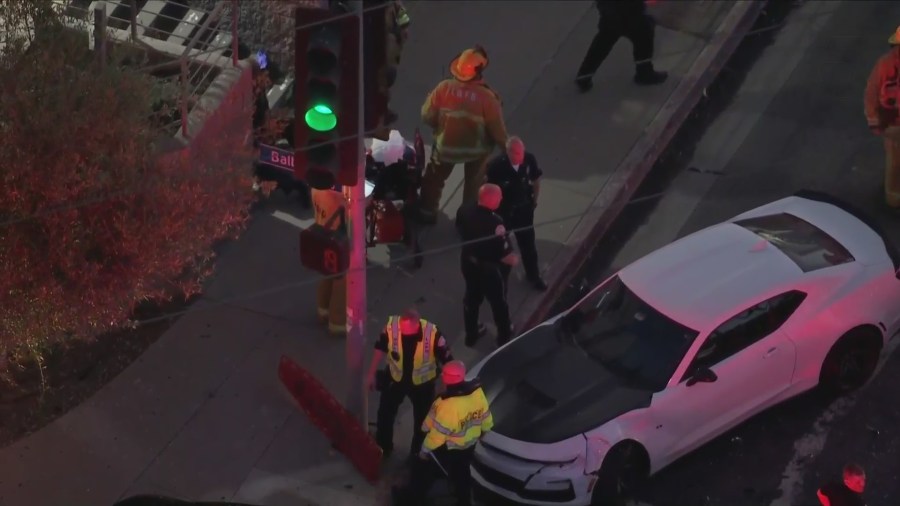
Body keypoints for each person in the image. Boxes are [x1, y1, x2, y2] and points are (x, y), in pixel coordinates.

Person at [418, 46, 510, 224]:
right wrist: (507, 150)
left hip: (446, 148)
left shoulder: (443, 89)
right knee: (474, 185)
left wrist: (440, 128)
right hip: (476, 151)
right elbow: (497, 131)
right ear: (480, 71)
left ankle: (427, 212)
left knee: (434, 179)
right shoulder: (488, 98)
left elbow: (426, 116)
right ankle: (467, 220)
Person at [395, 360, 493, 506]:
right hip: (469, 445)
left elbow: (437, 435)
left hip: (449, 448)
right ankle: (464, 501)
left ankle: (409, 499)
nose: (441, 375)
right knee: (462, 475)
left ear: (448, 378)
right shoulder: (476, 392)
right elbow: (485, 416)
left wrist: (424, 452)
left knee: (423, 473)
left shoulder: (447, 404)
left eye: (444, 374)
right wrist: (485, 430)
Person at [366, 308, 453, 460]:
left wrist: (444, 388)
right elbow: (380, 347)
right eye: (402, 328)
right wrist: (371, 373)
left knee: (422, 422)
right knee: (385, 414)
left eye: (406, 330)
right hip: (396, 379)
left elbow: (448, 362)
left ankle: (416, 455)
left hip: (422, 385)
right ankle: (383, 446)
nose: (403, 332)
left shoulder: (432, 334)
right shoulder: (392, 327)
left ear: (416, 325)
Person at [456, 184, 519, 348]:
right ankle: (504, 336)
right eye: (499, 197)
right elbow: (506, 256)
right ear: (492, 201)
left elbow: (460, 228)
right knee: (498, 303)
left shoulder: (465, 210)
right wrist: (513, 259)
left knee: (471, 299)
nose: (501, 199)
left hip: (468, 262)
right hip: (488, 270)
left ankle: (471, 334)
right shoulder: (495, 223)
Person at [485, 136, 548, 291]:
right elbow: (489, 190)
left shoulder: (529, 159)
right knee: (501, 248)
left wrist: (534, 201)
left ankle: (533, 276)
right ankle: (497, 280)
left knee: (528, 246)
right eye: (517, 154)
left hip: (524, 211)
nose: (521, 157)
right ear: (508, 152)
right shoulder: (496, 166)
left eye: (522, 152)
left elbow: (536, 179)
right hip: (504, 213)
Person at [575, 0, 668, 92]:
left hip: (610, 10)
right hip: (629, 10)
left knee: (604, 39)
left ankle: (584, 75)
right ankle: (644, 72)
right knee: (644, 34)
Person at [865, 25, 900, 208]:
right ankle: (893, 199)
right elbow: (872, 94)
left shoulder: (885, 64)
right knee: (895, 163)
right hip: (894, 127)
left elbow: (871, 94)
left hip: (892, 126)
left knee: (894, 163)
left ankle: (893, 197)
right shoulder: (885, 66)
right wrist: (876, 123)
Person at [312, 186, 347, 335]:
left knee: (328, 271)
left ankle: (323, 310)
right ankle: (338, 323)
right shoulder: (343, 188)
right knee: (343, 277)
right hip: (340, 235)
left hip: (323, 228)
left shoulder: (319, 178)